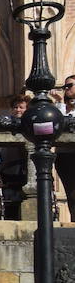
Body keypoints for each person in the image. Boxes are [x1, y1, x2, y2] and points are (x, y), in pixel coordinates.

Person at [55, 75, 75, 219]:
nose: (66, 89)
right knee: (71, 193)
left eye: (69, 86)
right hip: (64, 156)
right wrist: (61, 103)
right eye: (65, 87)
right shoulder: (61, 108)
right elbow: (57, 124)